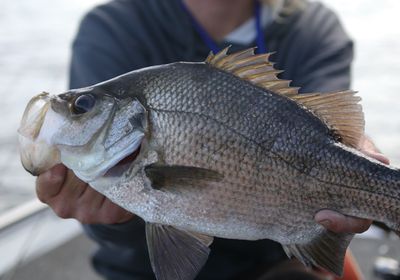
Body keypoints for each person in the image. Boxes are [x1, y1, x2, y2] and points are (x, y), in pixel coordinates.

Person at [36, 0, 390, 279]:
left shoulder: (314, 27)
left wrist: (364, 171)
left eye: (82, 107)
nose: (74, 112)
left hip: (278, 267)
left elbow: (336, 134)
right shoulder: (112, 28)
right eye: (82, 107)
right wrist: (112, 219)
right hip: (139, 270)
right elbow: (125, 225)